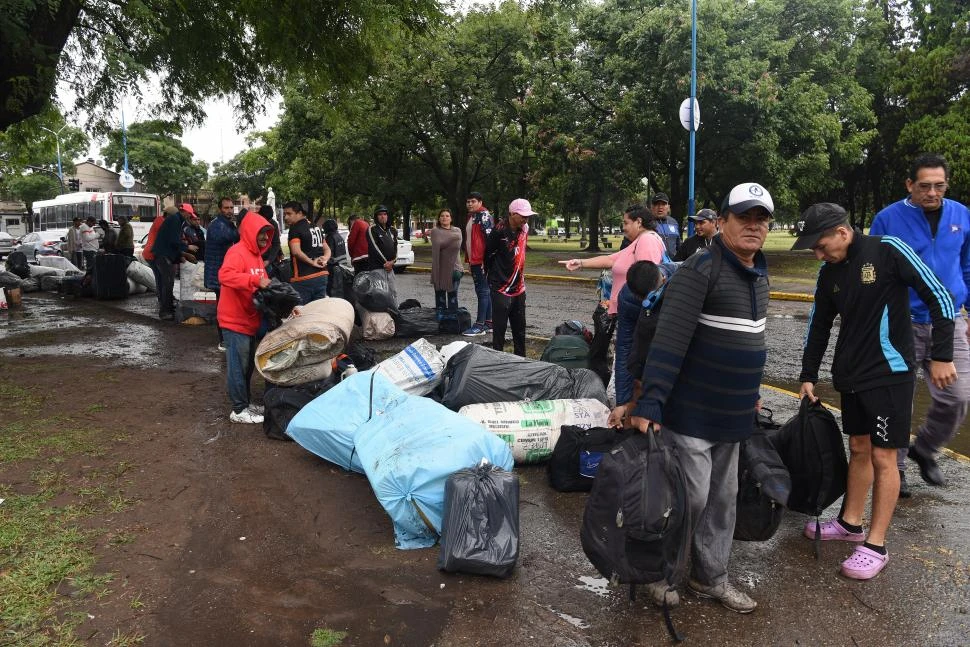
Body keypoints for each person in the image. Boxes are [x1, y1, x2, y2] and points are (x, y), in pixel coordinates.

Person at [629, 182, 774, 613]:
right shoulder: (700, 269)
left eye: (760, 219)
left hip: (732, 417)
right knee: (686, 500)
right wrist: (650, 404)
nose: (753, 226)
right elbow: (670, 341)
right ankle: (661, 573)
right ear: (723, 222)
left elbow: (754, 342)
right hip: (691, 414)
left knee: (722, 501)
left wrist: (752, 396)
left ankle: (709, 578)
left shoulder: (760, 275)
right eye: (743, 217)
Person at [793, 203, 957, 580]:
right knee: (859, 448)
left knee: (885, 457)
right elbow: (819, 324)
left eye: (820, 245)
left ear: (842, 231)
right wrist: (808, 374)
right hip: (851, 376)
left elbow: (940, 297)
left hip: (889, 373)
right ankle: (851, 523)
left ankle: (877, 544)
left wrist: (943, 355)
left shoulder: (887, 250)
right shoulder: (829, 271)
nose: (818, 254)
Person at [869, 153, 970, 495]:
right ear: (909, 185)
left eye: (939, 185)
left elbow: (967, 265)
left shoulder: (961, 215)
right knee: (899, 400)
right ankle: (895, 472)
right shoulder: (887, 219)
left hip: (950, 319)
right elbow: (876, 272)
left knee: (958, 396)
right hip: (903, 321)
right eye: (924, 186)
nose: (932, 192)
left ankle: (924, 448)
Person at [217, 214, 274, 424]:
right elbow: (224, 276)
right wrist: (254, 280)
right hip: (234, 320)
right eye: (261, 233)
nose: (265, 237)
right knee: (237, 366)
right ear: (250, 231)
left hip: (249, 320)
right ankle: (239, 410)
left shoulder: (257, 256)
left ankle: (246, 402)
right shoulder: (237, 252)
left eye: (267, 233)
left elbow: (263, 286)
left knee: (247, 366)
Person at [561, 206, 666, 315]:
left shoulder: (647, 240)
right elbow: (610, 259)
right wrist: (580, 262)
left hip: (633, 316)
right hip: (625, 312)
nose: (623, 228)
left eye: (626, 223)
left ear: (638, 222)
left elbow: (646, 282)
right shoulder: (639, 241)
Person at [485, 198, 535, 357]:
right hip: (501, 289)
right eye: (522, 215)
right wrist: (495, 280)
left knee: (520, 329)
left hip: (519, 288)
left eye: (528, 216)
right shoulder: (498, 231)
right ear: (512, 214)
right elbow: (487, 257)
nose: (526, 219)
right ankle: (498, 362)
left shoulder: (525, 228)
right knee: (499, 330)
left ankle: (521, 360)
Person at [205, 197, 240, 351]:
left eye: (231, 208)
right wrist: (242, 229)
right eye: (226, 208)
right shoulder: (217, 225)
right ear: (220, 209)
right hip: (218, 273)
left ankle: (228, 338)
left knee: (227, 306)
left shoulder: (227, 224)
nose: (229, 211)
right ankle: (223, 341)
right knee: (223, 307)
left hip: (224, 271)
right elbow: (229, 237)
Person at [151, 205, 195, 320]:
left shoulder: (175, 220)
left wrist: (182, 254)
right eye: (189, 214)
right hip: (163, 256)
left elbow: (172, 242)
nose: (189, 217)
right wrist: (187, 247)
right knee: (168, 283)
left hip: (162, 255)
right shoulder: (175, 220)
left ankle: (168, 309)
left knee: (168, 283)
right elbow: (174, 241)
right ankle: (165, 312)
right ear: (184, 212)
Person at [283, 201, 330, 304]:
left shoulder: (295, 228)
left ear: (299, 213)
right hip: (322, 275)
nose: (286, 217)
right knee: (317, 311)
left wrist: (312, 262)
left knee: (302, 314)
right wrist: (325, 259)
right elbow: (327, 249)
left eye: (289, 214)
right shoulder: (316, 227)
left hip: (303, 278)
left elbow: (296, 251)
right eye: (284, 214)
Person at [463, 192, 495, 336]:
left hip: (482, 262)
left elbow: (490, 241)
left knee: (482, 292)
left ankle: (479, 325)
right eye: (468, 201)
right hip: (475, 260)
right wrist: (469, 260)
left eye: (473, 201)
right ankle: (489, 323)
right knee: (484, 291)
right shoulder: (473, 217)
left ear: (480, 202)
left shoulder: (484, 216)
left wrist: (485, 261)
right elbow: (471, 241)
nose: (470, 204)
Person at [427, 208, 463, 319]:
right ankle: (441, 322)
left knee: (453, 297)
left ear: (451, 218)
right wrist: (452, 238)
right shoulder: (435, 231)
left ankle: (452, 322)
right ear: (439, 218)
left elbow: (457, 246)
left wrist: (447, 242)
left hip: (455, 269)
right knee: (440, 297)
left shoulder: (458, 230)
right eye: (442, 216)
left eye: (447, 216)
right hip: (439, 269)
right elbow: (438, 245)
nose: (444, 218)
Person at [367, 204, 398, 301]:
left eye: (384, 214)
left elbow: (395, 248)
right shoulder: (372, 229)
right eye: (380, 214)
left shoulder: (393, 230)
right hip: (377, 268)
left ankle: (394, 314)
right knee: (379, 294)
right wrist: (386, 263)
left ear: (388, 216)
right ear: (376, 216)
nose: (383, 216)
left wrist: (393, 262)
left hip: (390, 268)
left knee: (393, 293)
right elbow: (374, 248)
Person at [651, 193, 681, 259]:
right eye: (657, 204)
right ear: (652, 207)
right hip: (655, 266)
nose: (660, 207)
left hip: (673, 266)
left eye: (663, 204)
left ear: (668, 207)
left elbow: (679, 245)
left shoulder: (673, 222)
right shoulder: (646, 223)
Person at [257, 204, 284, 276]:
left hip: (267, 259)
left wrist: (269, 260)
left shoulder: (273, 224)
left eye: (269, 220)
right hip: (255, 257)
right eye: (265, 219)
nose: (267, 222)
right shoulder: (254, 223)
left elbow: (276, 243)